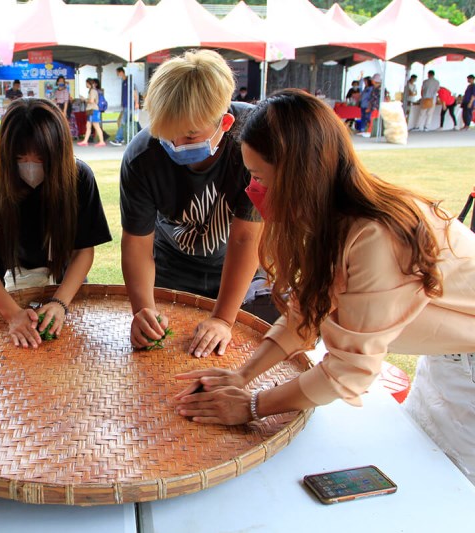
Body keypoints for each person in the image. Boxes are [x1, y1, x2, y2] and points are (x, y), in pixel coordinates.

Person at [171, 89, 475, 484]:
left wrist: (252, 406)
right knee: (427, 460)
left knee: (454, 485)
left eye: (260, 177)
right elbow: (307, 313)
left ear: (301, 175)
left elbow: (347, 371)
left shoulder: (376, 235)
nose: (252, 190)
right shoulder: (334, 216)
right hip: (448, 360)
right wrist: (241, 376)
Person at [120, 50, 268, 358]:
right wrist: (143, 311)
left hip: (242, 271)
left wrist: (223, 318)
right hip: (171, 270)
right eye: (167, 136)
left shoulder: (253, 142)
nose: (176, 146)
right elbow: (137, 245)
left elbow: (246, 237)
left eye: (189, 137)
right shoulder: (141, 157)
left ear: (224, 123)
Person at [0, 98, 112, 348]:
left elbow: (84, 250)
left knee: (70, 352)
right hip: (11, 284)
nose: (30, 167)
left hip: (67, 282)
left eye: (41, 159)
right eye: (20, 158)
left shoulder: (78, 177)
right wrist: (12, 313)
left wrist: (61, 302)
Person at [110, 66, 140, 146]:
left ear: (121, 72)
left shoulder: (129, 81)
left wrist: (136, 103)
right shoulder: (124, 82)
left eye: (118, 73)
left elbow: (135, 93)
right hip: (126, 106)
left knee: (123, 122)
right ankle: (132, 136)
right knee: (129, 122)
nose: (117, 75)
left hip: (129, 106)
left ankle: (118, 139)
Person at [77, 78, 105, 147]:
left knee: (96, 126)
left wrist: (84, 99)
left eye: (86, 83)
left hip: (93, 110)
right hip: (91, 110)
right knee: (88, 126)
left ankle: (102, 141)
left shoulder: (92, 91)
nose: (86, 85)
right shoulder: (92, 91)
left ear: (88, 83)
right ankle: (85, 141)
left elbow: (92, 101)